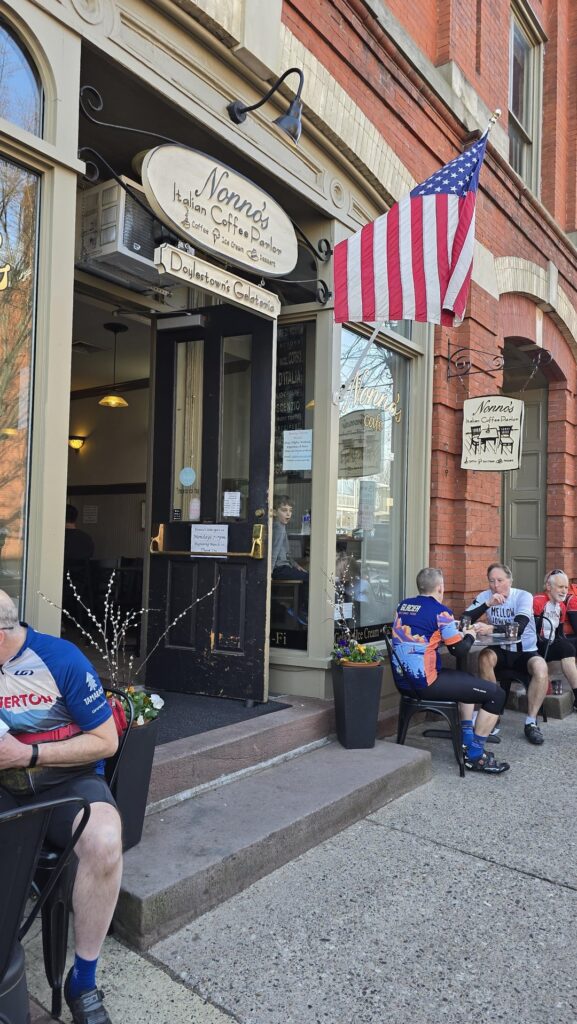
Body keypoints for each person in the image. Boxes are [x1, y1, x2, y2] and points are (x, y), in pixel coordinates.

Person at [0, 589, 121, 1024]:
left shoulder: (60, 659)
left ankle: (82, 982)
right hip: (4, 790)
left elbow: (106, 740)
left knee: (105, 840)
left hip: (64, 784)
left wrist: (29, 755)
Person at [392, 567, 509, 774]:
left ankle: (466, 735)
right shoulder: (441, 612)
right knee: (497, 695)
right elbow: (459, 651)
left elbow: (423, 630)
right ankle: (474, 755)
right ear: (440, 588)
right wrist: (471, 633)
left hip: (404, 682)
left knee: (466, 679)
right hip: (426, 684)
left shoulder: (403, 606)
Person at [465, 562, 548, 746]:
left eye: (500, 580)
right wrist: (487, 604)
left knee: (541, 667)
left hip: (524, 652)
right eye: (491, 581)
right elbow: (465, 618)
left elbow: (519, 627)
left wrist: (491, 628)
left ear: (510, 580)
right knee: (485, 657)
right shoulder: (487, 596)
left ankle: (531, 722)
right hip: (500, 651)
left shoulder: (523, 596)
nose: (496, 585)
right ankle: (492, 713)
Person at [533, 569, 577, 709]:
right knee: (567, 648)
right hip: (536, 645)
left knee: (569, 648)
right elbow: (531, 632)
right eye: (560, 587)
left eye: (566, 587)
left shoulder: (562, 607)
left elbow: (559, 634)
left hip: (550, 644)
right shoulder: (538, 601)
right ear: (548, 587)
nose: (564, 591)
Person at [271, 495, 309, 623]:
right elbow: (274, 551)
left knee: (305, 574)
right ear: (275, 512)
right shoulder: (278, 528)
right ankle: (299, 610)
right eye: (284, 510)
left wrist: (295, 564)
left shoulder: (281, 526)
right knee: (307, 578)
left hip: (284, 566)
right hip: (279, 569)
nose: (288, 514)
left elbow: (286, 553)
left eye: (290, 510)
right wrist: (268, 573)